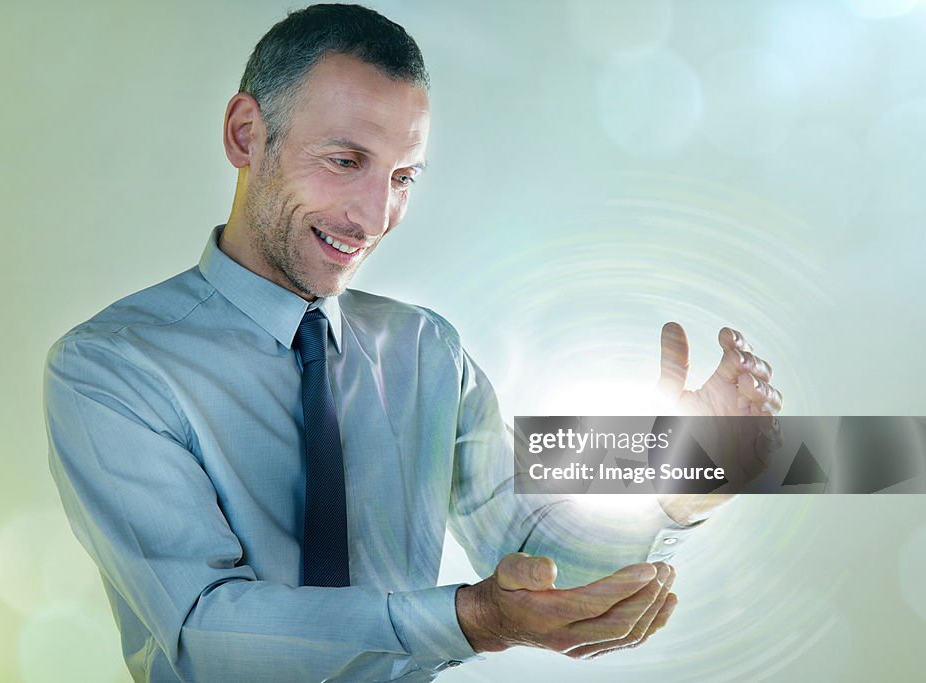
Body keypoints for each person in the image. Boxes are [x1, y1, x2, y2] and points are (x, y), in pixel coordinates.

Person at [43, 4, 782, 682]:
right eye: (344, 161)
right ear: (246, 134)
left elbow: (534, 563)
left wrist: (675, 492)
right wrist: (466, 617)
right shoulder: (112, 365)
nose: (375, 214)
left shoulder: (427, 350)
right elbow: (204, 629)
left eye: (403, 176)